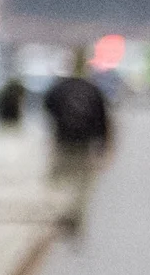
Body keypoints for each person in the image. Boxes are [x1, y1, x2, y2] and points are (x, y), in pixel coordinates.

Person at [43, 63, 115, 236]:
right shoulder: (94, 90)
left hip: (63, 141)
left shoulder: (59, 89)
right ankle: (74, 215)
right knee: (82, 184)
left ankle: (62, 211)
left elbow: (48, 110)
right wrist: (103, 147)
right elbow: (104, 120)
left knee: (59, 179)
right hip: (85, 145)